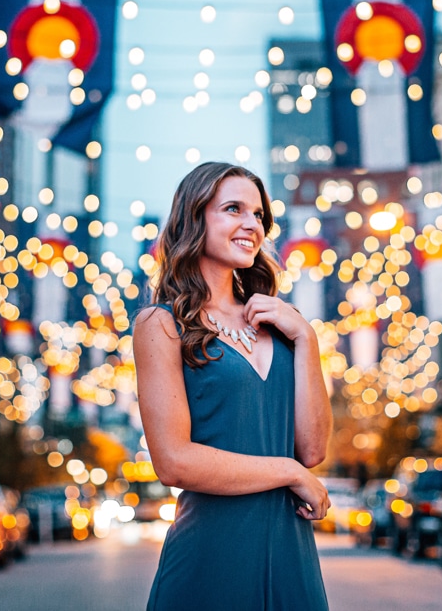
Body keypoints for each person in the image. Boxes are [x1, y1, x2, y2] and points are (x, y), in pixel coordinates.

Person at [134, 161, 332, 611]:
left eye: (259, 214)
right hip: (211, 559)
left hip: (292, 557)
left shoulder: (280, 324)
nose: (251, 225)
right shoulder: (160, 324)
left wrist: (306, 338)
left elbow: (313, 449)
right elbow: (173, 462)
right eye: (233, 209)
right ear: (194, 218)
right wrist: (290, 473)